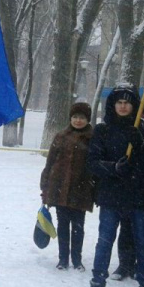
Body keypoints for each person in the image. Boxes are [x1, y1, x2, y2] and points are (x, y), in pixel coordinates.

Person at [84, 83, 144, 287]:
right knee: (104, 242)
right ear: (112, 104)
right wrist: (113, 168)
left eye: (127, 102)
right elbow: (92, 163)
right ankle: (97, 286)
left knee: (143, 244)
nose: (123, 106)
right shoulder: (103, 129)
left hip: (140, 196)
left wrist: (141, 145)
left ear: (134, 105)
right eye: (119, 102)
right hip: (111, 196)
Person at [40, 102, 95, 272]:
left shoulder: (93, 138)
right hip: (60, 188)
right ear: (70, 118)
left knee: (78, 227)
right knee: (63, 225)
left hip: (81, 190)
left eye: (82, 118)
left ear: (88, 119)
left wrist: (95, 187)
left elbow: (95, 165)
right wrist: (45, 185)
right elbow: (50, 162)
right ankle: (63, 259)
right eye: (75, 117)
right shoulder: (61, 136)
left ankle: (77, 259)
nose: (78, 121)